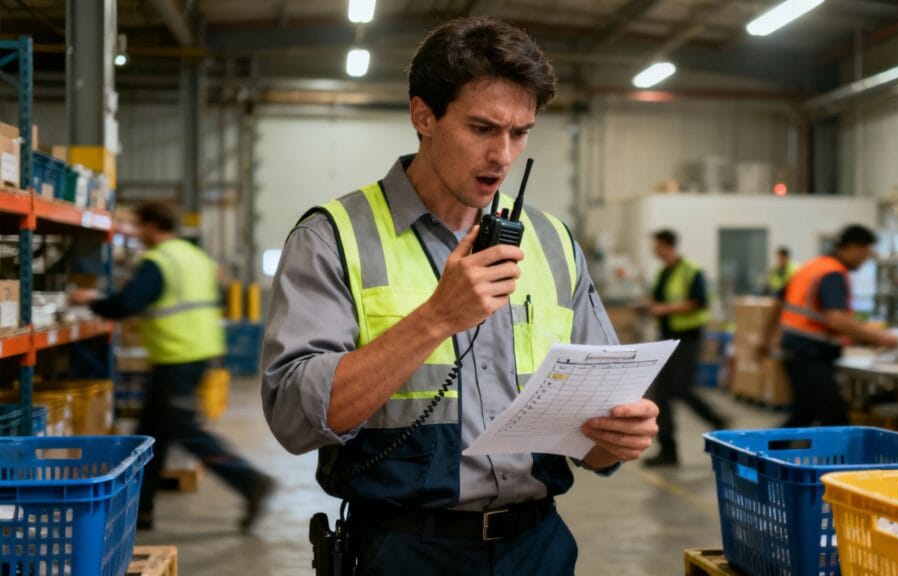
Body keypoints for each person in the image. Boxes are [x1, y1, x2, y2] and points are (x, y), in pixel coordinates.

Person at [261, 17, 659, 575]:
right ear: (423, 116)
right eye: (482, 128)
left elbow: (593, 439)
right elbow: (293, 417)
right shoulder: (332, 236)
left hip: (537, 547)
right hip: (404, 551)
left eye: (520, 132)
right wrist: (435, 319)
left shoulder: (552, 242)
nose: (502, 155)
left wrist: (618, 436)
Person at [70, 201, 274, 532]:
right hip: (195, 352)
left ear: (152, 226)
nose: (137, 235)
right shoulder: (195, 256)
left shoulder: (158, 261)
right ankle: (142, 511)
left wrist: (89, 300)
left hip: (177, 356)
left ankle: (249, 480)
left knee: (184, 430)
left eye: (139, 227)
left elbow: (125, 305)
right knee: (151, 433)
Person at [758, 224, 898, 428]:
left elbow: (777, 304)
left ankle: (761, 457)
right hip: (810, 354)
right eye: (865, 252)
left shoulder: (811, 266)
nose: (865, 259)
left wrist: (764, 338)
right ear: (852, 247)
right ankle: (762, 455)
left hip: (794, 349)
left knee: (803, 416)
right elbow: (836, 318)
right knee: (836, 420)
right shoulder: (833, 273)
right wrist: (881, 338)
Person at [643, 230, 728, 467]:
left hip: (687, 338)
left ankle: (718, 420)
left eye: (656, 245)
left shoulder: (691, 270)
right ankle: (668, 450)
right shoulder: (663, 273)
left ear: (666, 245)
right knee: (661, 393)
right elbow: (658, 300)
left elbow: (699, 301)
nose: (653, 250)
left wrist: (665, 310)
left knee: (680, 388)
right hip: (666, 337)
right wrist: (649, 306)